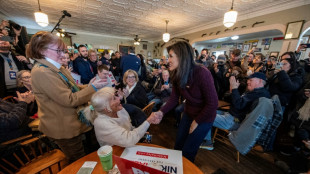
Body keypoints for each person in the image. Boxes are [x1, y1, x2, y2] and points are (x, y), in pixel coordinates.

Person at [27, 31, 107, 163]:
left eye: (63, 50)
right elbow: (69, 99)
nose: (63, 54)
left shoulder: (57, 67)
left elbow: (73, 87)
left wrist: (91, 85)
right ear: (42, 50)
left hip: (76, 121)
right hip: (63, 127)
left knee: (91, 154)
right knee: (80, 161)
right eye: (58, 50)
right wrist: (93, 88)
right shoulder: (42, 72)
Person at [150, 41, 218, 162]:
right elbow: (174, 99)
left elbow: (213, 104)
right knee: (178, 146)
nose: (167, 60)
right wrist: (161, 112)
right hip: (188, 113)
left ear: (181, 56)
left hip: (205, 117)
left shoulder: (202, 73)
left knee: (188, 152)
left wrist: (197, 121)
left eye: (171, 56)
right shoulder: (176, 73)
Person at [200, 72, 271, 150]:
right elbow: (232, 101)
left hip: (234, 121)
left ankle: (207, 142)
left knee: (204, 115)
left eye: (251, 80)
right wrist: (232, 90)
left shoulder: (260, 94)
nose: (248, 82)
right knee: (206, 111)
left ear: (260, 81)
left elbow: (239, 105)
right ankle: (205, 138)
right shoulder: (255, 92)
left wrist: (234, 89)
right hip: (231, 115)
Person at [84, 87, 157, 147]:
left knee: (149, 140)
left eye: (116, 96)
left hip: (127, 147)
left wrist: (142, 134)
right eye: (114, 98)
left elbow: (129, 127)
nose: (119, 98)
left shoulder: (120, 110)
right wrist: (148, 121)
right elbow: (128, 140)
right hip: (116, 154)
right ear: (107, 109)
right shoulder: (102, 123)